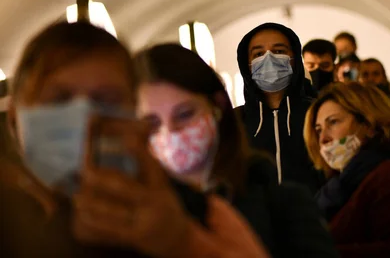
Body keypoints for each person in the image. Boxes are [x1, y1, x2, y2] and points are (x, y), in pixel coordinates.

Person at [1, 21, 268, 258]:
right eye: (59, 99)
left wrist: (184, 244)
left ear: (135, 116)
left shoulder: (203, 215)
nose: (86, 120)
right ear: (15, 120)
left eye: (105, 100)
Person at [134, 43, 338, 258]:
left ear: (218, 106)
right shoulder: (131, 216)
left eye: (185, 114)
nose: (170, 132)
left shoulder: (285, 204)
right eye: (152, 123)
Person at [304, 83, 390, 258]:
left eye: (333, 122)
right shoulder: (342, 186)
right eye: (319, 129)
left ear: (369, 125)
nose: (323, 138)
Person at [235, 23, 323, 193]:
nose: (269, 58)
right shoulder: (234, 121)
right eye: (258, 54)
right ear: (247, 64)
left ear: (295, 58)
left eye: (279, 51)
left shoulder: (318, 112)